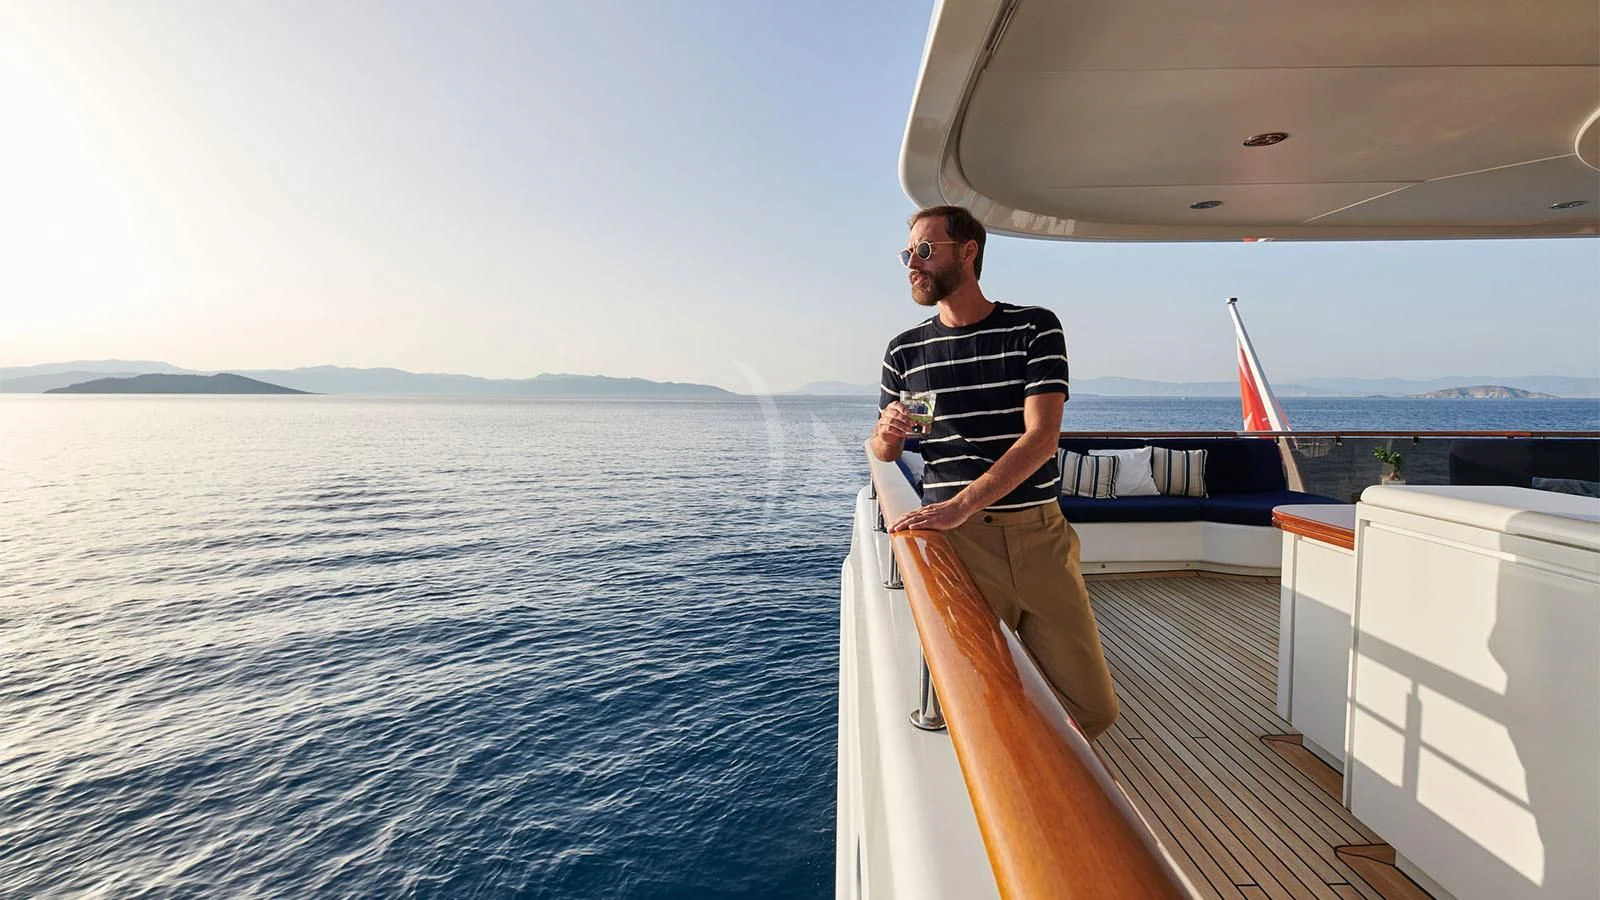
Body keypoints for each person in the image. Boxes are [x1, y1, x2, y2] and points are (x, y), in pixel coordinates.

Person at [870, 205, 1120, 740]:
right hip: (957, 546)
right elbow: (886, 450)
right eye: (907, 252)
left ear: (968, 252)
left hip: (1038, 536)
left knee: (1095, 709)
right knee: (974, 695)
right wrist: (888, 436)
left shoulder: (1034, 328)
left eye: (924, 250)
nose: (911, 263)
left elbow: (1041, 437)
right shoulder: (905, 350)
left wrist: (961, 502)